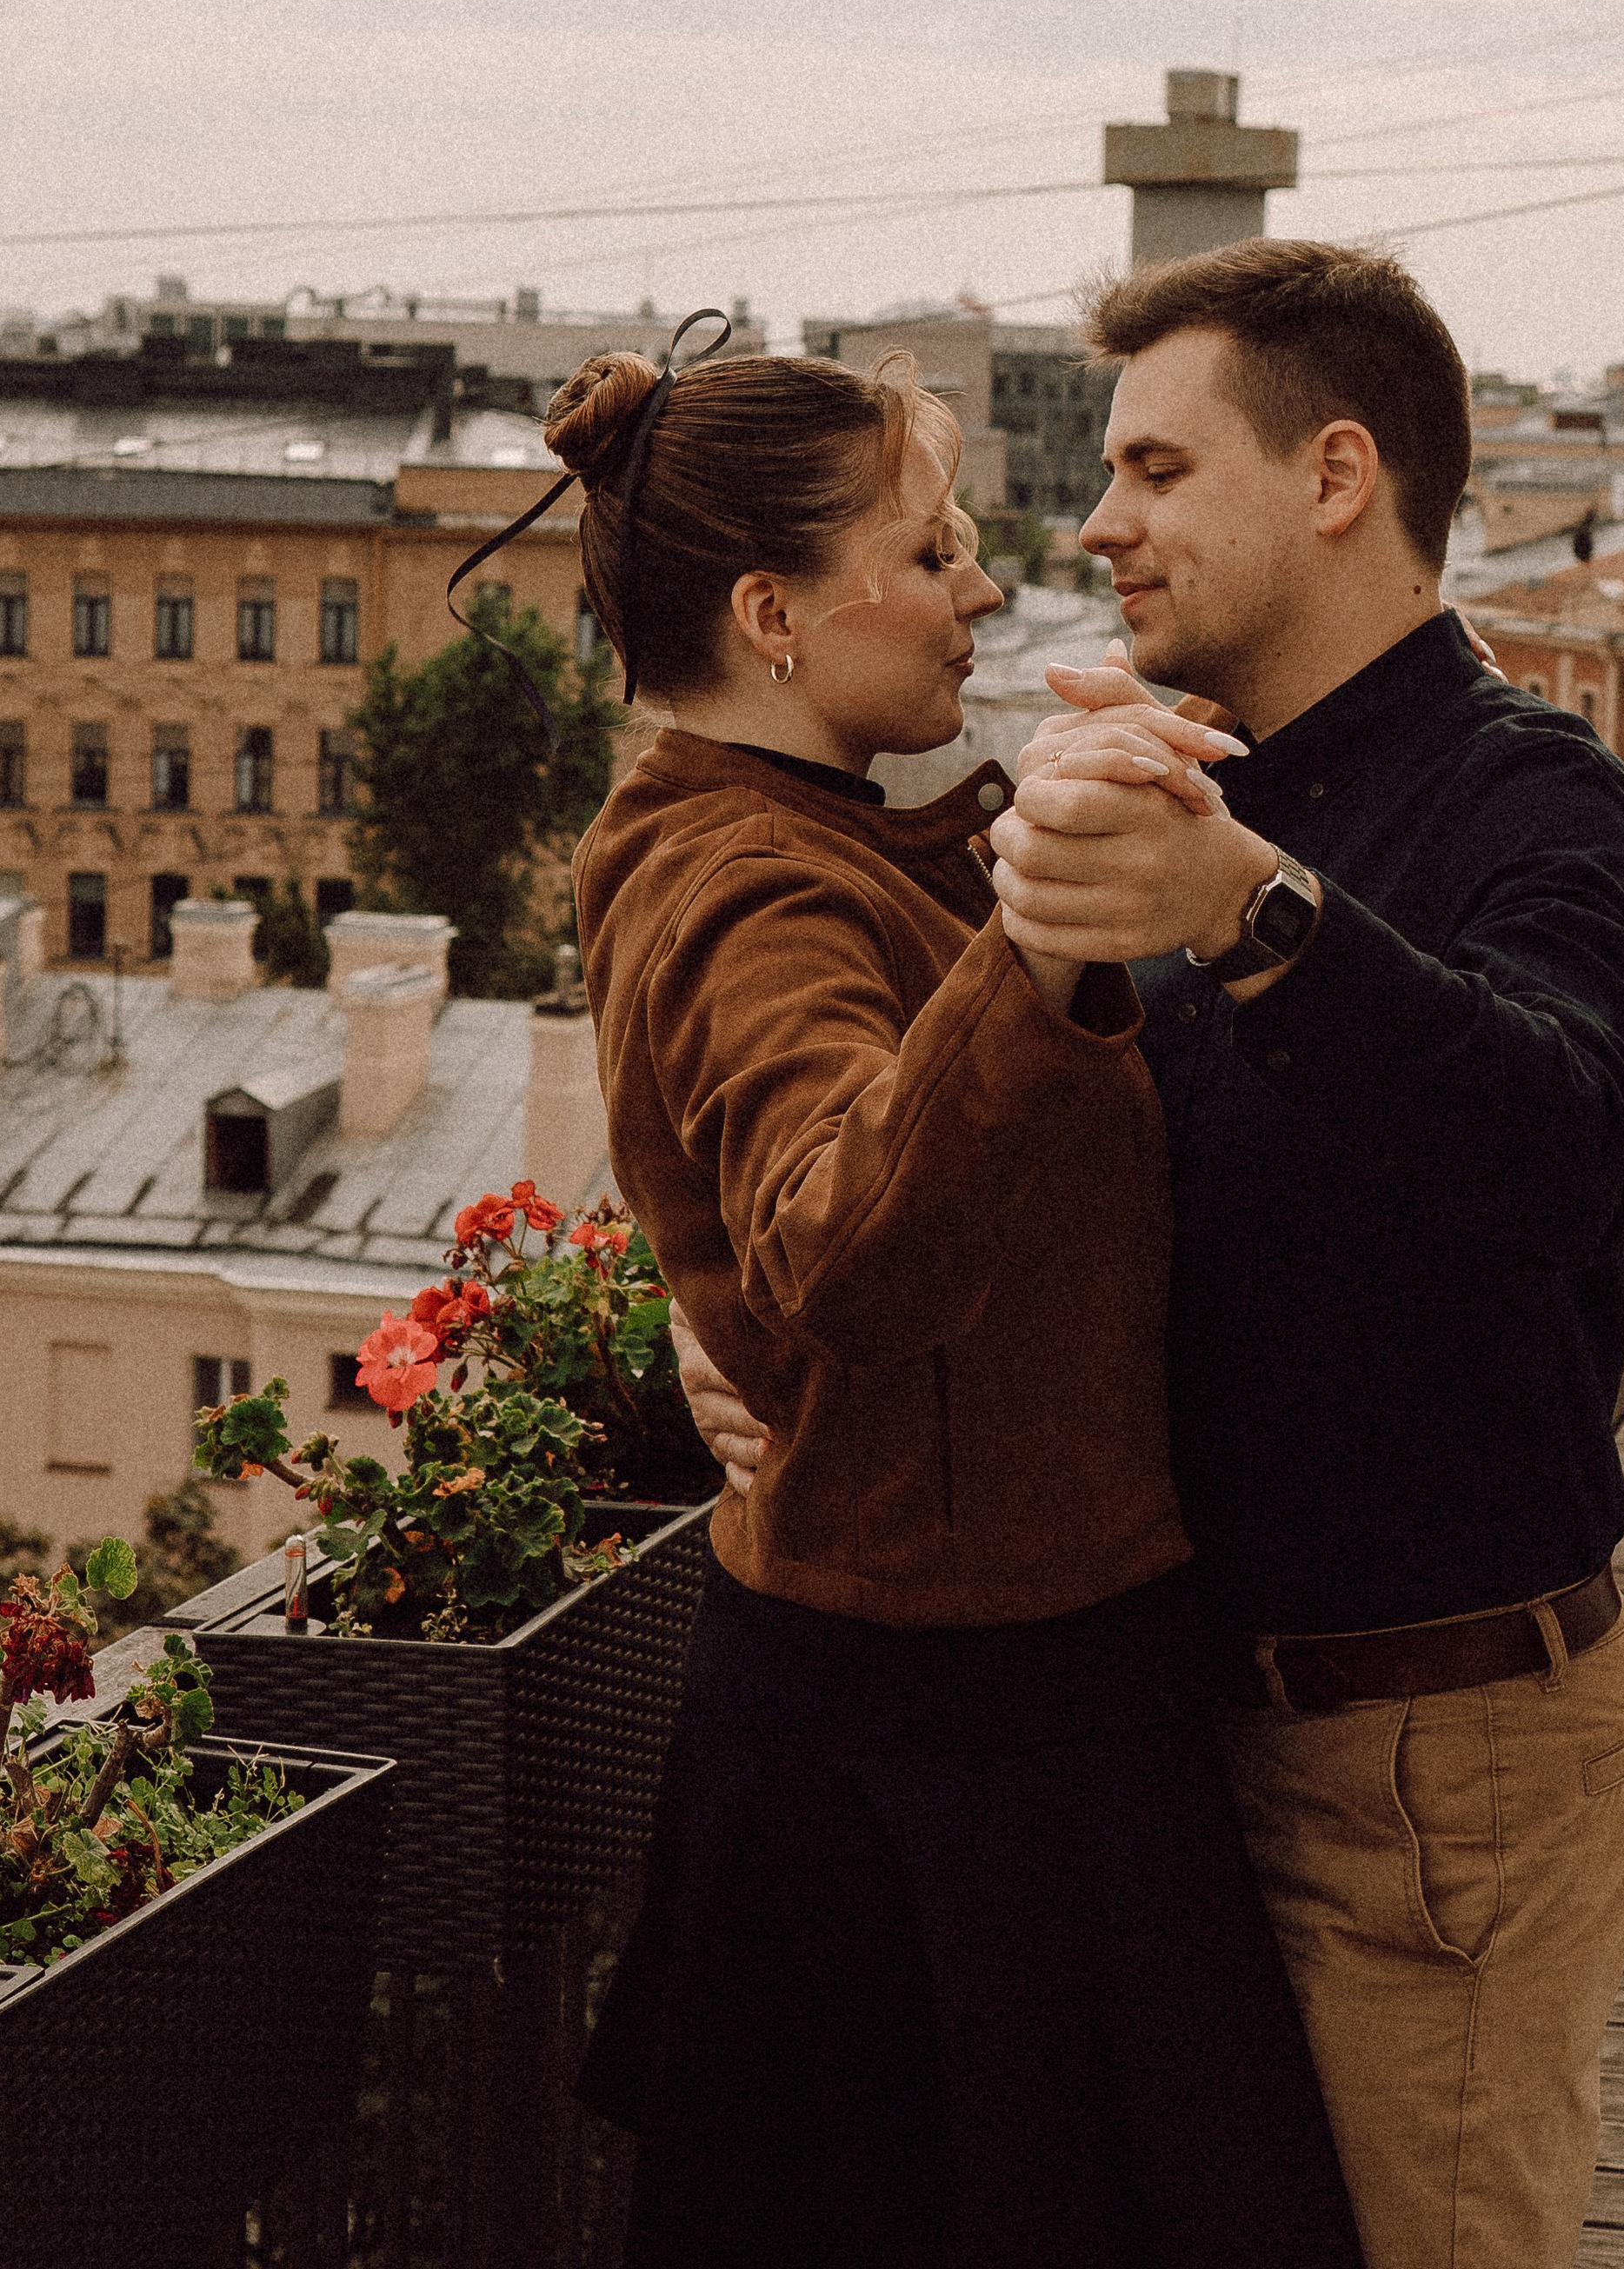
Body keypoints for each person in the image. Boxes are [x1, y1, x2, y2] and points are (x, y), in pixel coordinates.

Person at [687, 242, 1624, 2269]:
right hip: (1151, 1744)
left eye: (1150, 470)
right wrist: (721, 1361)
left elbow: (1571, 1154)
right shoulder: (1170, 774)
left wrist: (1255, 910)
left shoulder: (1523, 794)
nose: (1095, 525)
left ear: (1331, 476)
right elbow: (1001, 1200)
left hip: (1430, 1769)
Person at [542, 329, 1362, 2269]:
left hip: (973, 1719)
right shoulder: (753, 886)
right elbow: (842, 1248)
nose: (984, 588)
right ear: (769, 612)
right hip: (942, 1768)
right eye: (927, 558)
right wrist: (1041, 931)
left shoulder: (799, 838)